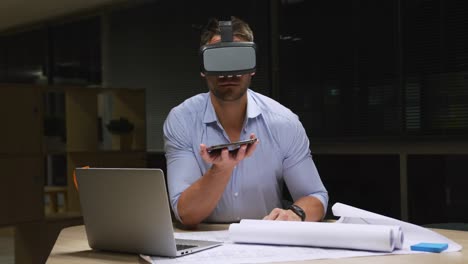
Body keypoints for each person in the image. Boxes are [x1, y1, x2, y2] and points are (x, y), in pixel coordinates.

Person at [163, 17, 328, 226]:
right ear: (203, 68)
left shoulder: (284, 122)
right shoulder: (182, 120)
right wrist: (221, 169)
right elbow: (186, 213)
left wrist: (296, 214)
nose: (229, 72)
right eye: (219, 60)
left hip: (266, 240)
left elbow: (315, 196)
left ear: (253, 67)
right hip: (205, 245)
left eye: (237, 58)